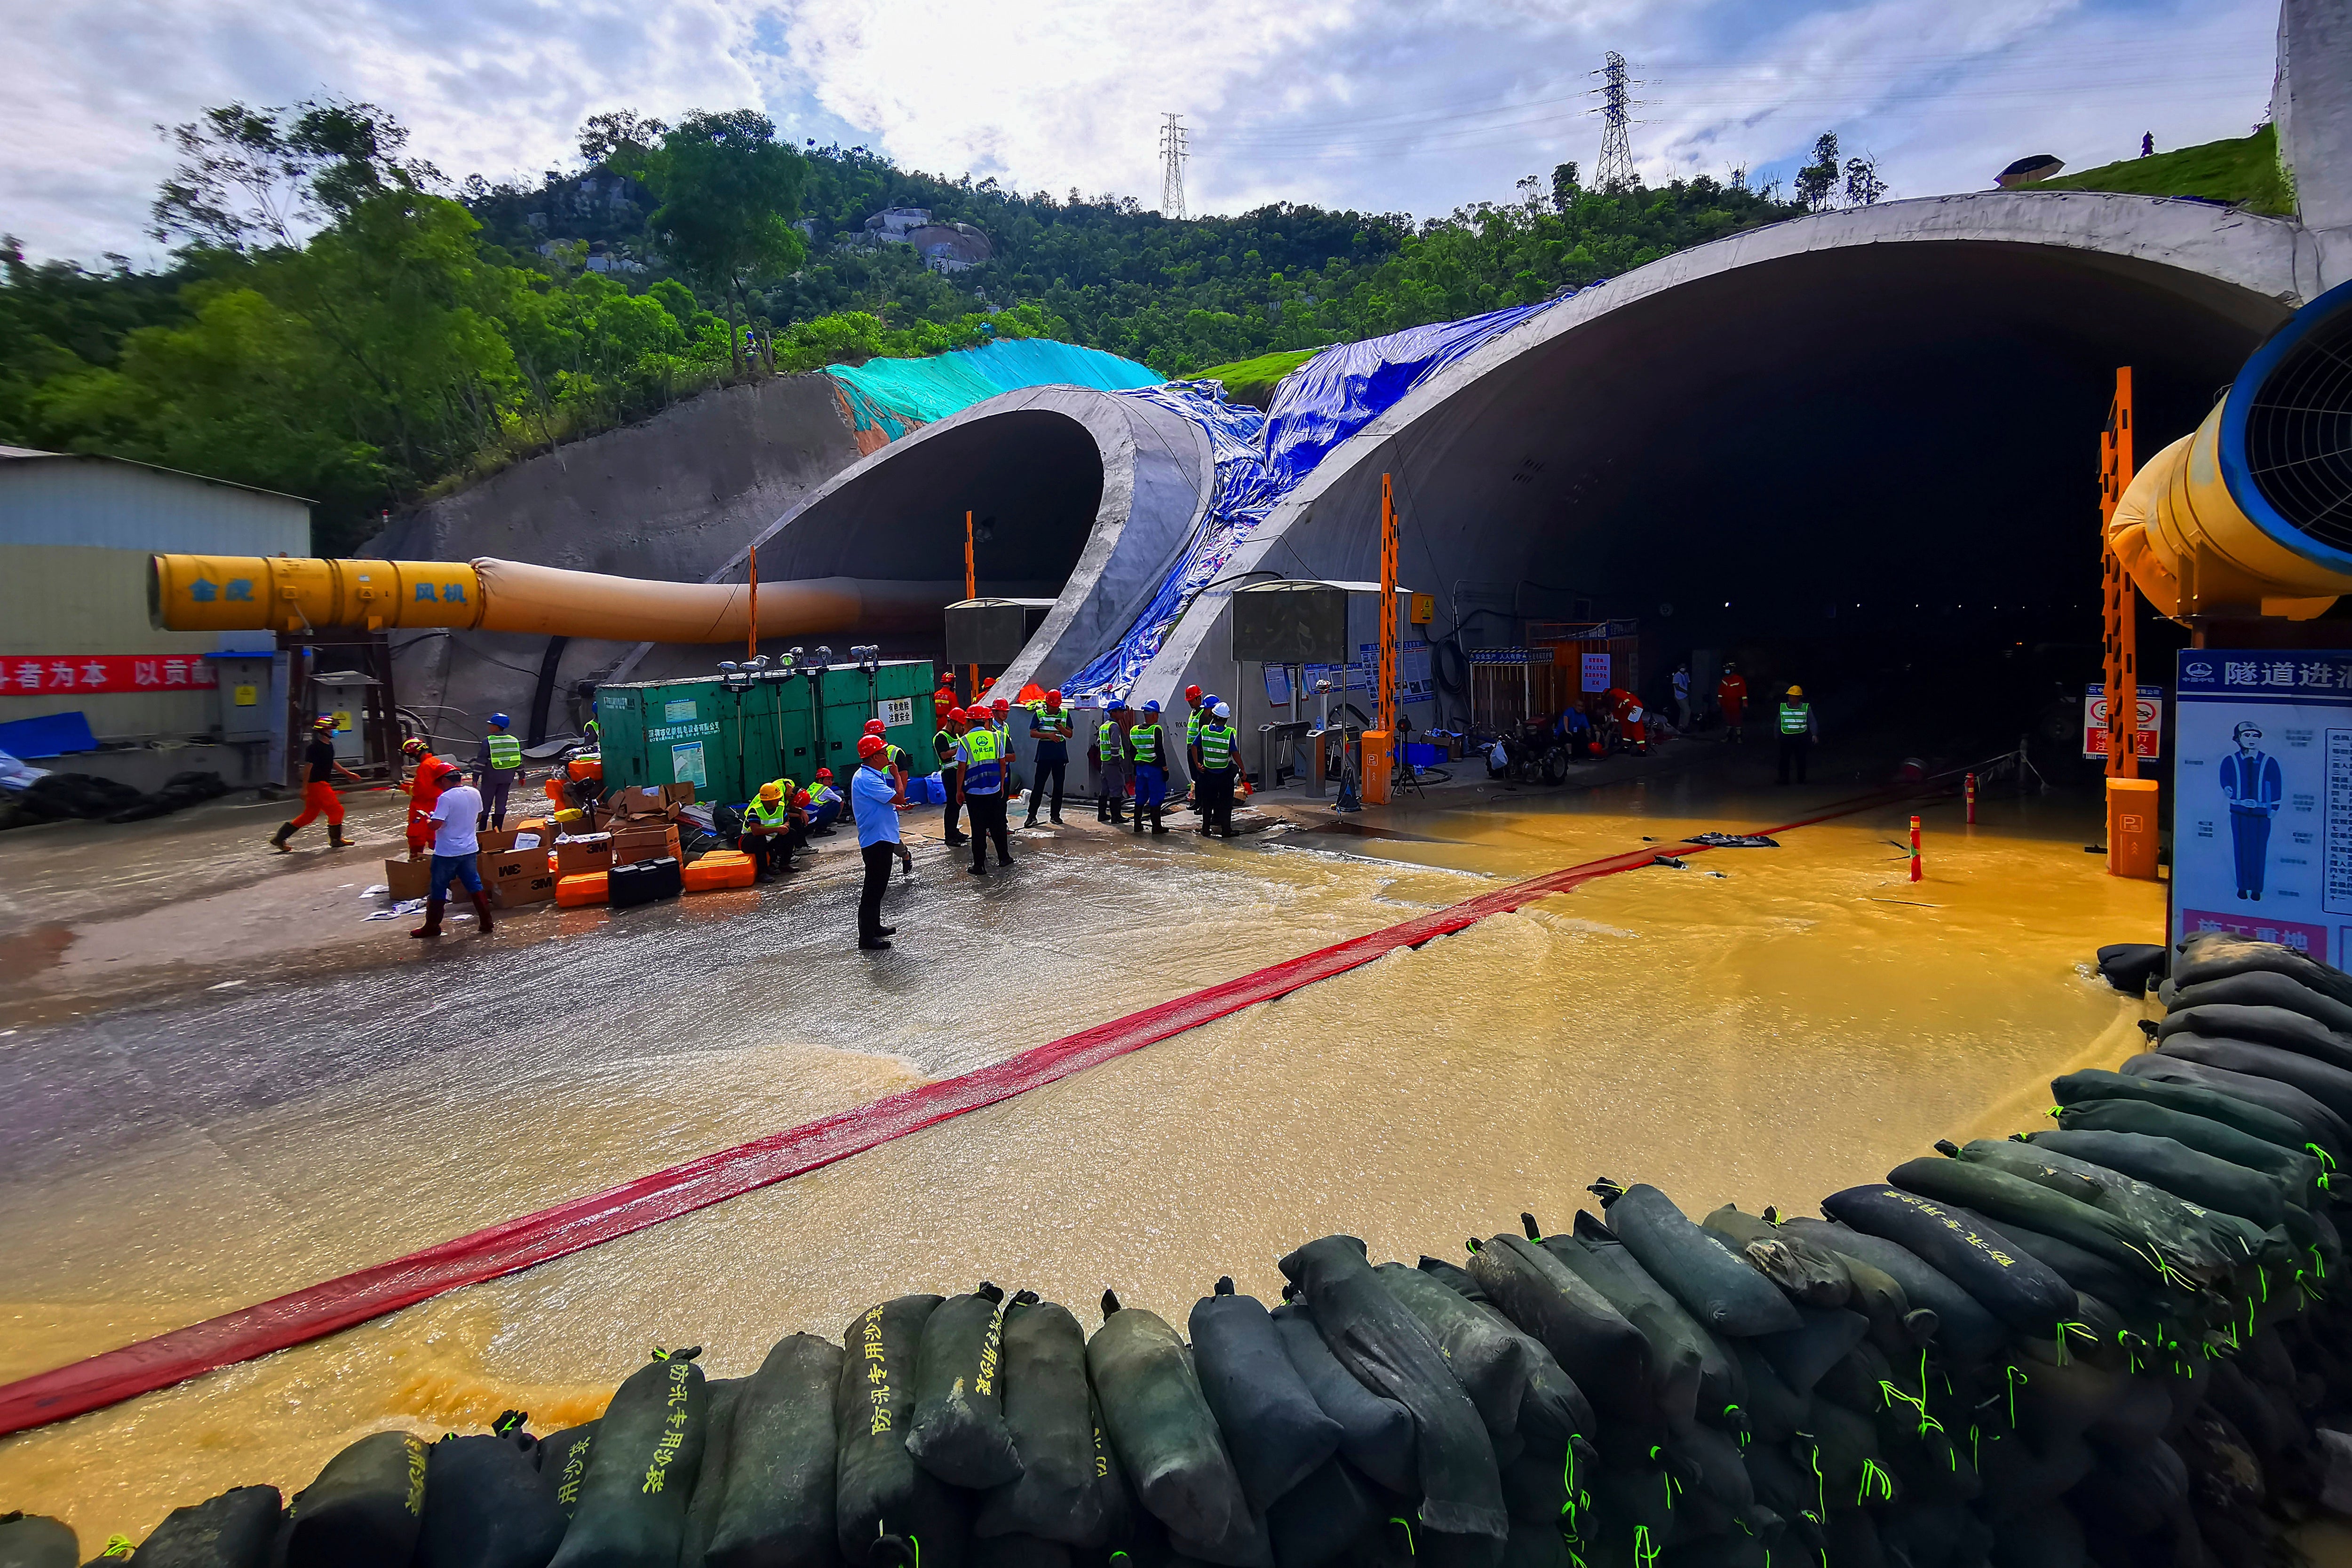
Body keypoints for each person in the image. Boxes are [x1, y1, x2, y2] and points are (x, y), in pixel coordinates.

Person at [412, 762, 494, 939]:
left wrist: (428, 820)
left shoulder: (446, 798)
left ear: (443, 781)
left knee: (438, 887)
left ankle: (432, 926)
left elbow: (436, 825)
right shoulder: (474, 792)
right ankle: (487, 922)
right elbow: (479, 816)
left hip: (447, 852)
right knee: (474, 884)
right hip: (470, 848)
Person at [272, 716, 363, 852]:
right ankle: (336, 840)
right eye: (332, 729)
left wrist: (347, 773)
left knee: (309, 816)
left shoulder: (329, 746)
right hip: (317, 785)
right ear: (324, 731)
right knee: (337, 811)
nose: (335, 731)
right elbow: (308, 768)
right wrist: (304, 789)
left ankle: (279, 838)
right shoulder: (314, 748)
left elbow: (331, 762)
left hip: (320, 784)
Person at [852, 734, 908, 950]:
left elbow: (887, 802)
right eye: (884, 753)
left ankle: (874, 926)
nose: (887, 756)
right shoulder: (867, 779)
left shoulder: (870, 775)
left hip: (881, 835)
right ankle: (866, 938)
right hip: (877, 839)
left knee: (878, 886)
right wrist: (897, 777)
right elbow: (899, 797)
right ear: (875, 757)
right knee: (874, 889)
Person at [2221, 721, 2284, 900]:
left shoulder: (2269, 762)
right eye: (2247, 736)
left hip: (2261, 814)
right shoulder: (2231, 761)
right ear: (2238, 739)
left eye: (2255, 736)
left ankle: (2256, 889)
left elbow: (2277, 785)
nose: (2252, 740)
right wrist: (2227, 788)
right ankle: (2242, 887)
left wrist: (2275, 807)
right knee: (2240, 850)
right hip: (2239, 812)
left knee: (2259, 851)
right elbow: (2225, 778)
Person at [957, 701, 1014, 873]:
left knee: (979, 828)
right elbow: (1002, 762)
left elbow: (961, 768)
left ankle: (979, 865)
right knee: (998, 825)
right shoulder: (997, 737)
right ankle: (1004, 858)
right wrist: (1002, 784)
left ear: (970, 722)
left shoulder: (965, 741)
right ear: (986, 721)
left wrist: (959, 790)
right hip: (995, 788)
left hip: (974, 792)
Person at [1025, 689, 1073, 826]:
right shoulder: (1039, 714)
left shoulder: (1065, 714)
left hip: (1060, 755)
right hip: (1044, 754)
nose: (1055, 708)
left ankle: (1055, 816)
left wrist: (1061, 729)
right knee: (1039, 786)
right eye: (1053, 706)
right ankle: (1032, 815)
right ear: (1047, 703)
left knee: (1058, 786)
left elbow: (1070, 734)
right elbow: (1033, 733)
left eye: (1056, 705)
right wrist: (1049, 735)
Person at [740, 780, 801, 879]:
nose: (779, 800)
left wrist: (785, 827)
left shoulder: (780, 807)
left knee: (791, 834)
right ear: (768, 800)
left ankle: (784, 864)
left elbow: (786, 820)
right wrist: (777, 829)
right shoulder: (755, 810)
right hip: (750, 841)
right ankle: (762, 872)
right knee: (760, 839)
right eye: (776, 799)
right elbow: (756, 831)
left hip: (771, 838)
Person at [475, 712, 524, 831]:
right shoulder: (514, 740)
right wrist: (522, 775)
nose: (489, 727)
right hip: (507, 778)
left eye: (491, 725)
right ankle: (498, 832)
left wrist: (475, 777)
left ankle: (482, 832)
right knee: (501, 804)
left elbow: (481, 761)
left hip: (491, 777)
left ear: (496, 727)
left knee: (485, 804)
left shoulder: (488, 741)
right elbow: (518, 759)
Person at [1128, 698, 1171, 834]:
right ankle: (1156, 827)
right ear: (1154, 715)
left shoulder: (1134, 730)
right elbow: (1160, 751)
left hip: (1140, 768)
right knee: (1156, 797)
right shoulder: (1156, 730)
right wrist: (1165, 769)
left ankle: (1137, 825)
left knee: (1140, 796)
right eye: (1157, 714)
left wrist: (1135, 766)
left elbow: (1132, 751)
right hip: (1154, 769)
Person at [1196, 701, 1239, 837]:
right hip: (1224, 774)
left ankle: (1205, 829)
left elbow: (1193, 745)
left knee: (1208, 802)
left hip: (1208, 773)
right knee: (1226, 803)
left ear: (1213, 716)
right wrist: (1243, 769)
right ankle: (1226, 830)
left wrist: (1197, 763)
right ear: (1226, 719)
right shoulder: (1228, 733)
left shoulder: (1204, 731)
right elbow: (1235, 753)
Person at [935, 707, 969, 846]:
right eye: (960, 725)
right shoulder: (941, 737)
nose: (961, 728)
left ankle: (955, 831)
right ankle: (949, 835)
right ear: (952, 722)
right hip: (949, 775)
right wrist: (960, 750)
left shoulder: (956, 736)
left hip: (958, 773)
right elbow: (944, 755)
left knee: (958, 804)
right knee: (952, 805)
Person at [1097, 696, 1130, 826]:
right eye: (1121, 711)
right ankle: (1116, 817)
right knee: (1116, 789)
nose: (1123, 714)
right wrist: (1117, 759)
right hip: (1113, 761)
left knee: (1104, 789)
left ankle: (1102, 814)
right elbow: (1115, 744)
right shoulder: (1114, 726)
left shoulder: (1104, 727)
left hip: (1105, 762)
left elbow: (1100, 743)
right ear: (1114, 712)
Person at [1776, 685, 1816, 784]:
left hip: (1801, 737)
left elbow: (1812, 721)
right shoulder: (1783, 707)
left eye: (1794, 696)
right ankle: (1784, 779)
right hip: (1786, 736)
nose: (1791, 698)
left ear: (1799, 697)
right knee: (1784, 759)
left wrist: (1814, 734)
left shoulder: (1806, 708)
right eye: (1790, 696)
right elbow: (1778, 722)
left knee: (1801, 759)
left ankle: (1801, 779)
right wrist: (1777, 735)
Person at [1181, 684, 1208, 808]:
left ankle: (1202, 804)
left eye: (1192, 700)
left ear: (1199, 698)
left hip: (1198, 750)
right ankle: (1198, 802)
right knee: (1195, 777)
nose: (1191, 703)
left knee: (1201, 778)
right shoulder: (1193, 713)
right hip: (1190, 749)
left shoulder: (1203, 714)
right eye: (1189, 701)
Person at [1717, 662, 1749, 744]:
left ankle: (1739, 738)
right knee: (1728, 721)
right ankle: (1728, 737)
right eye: (1726, 669)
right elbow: (1721, 692)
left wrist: (1745, 703)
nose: (1727, 671)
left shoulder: (1739, 679)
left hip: (1736, 703)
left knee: (1737, 721)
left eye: (1728, 669)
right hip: (1726, 704)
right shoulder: (1724, 680)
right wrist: (1719, 701)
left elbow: (1743, 693)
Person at [807, 768, 844, 835]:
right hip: (814, 819)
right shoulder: (825, 789)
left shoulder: (812, 786)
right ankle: (821, 830)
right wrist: (838, 817)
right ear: (820, 780)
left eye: (832, 780)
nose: (831, 782)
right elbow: (841, 802)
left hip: (806, 820)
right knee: (836, 804)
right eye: (828, 779)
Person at [1672, 664, 1693, 732]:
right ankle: (1685, 726)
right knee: (1688, 711)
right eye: (1682, 667)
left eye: (1684, 667)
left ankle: (1680, 726)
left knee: (1683, 712)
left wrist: (1688, 692)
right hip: (1679, 696)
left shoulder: (1686, 674)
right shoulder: (1677, 675)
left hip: (1686, 696)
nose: (1683, 668)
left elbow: (1688, 683)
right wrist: (1685, 691)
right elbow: (1677, 686)